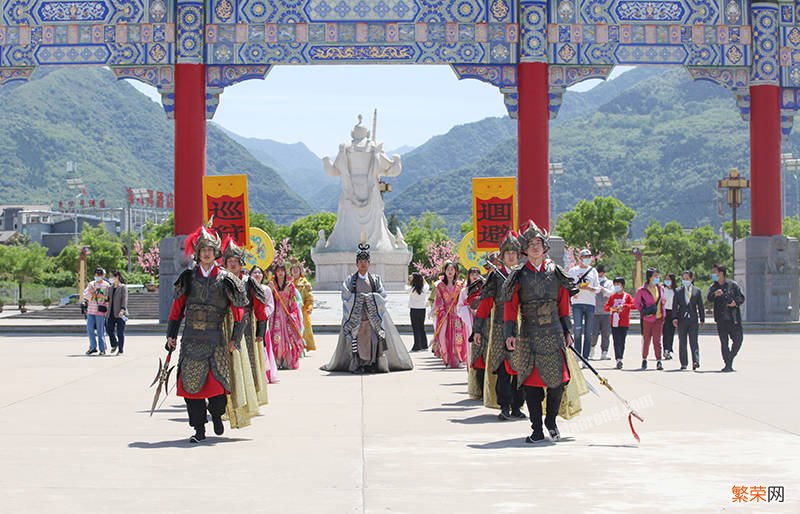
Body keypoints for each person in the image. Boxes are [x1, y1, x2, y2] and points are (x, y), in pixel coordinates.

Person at [503, 221, 587, 444]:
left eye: (538, 243)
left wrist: (568, 329)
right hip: (529, 333)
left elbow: (563, 304)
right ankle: (537, 429)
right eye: (530, 243)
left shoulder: (556, 272)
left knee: (558, 382)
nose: (535, 247)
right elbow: (510, 307)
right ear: (525, 249)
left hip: (554, 332)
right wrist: (509, 333)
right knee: (531, 385)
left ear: (545, 247)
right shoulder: (519, 275)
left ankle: (551, 421)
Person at [165, 224, 248, 443]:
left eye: (210, 249)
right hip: (191, 339)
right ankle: (199, 430)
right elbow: (177, 309)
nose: (206, 253)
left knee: (218, 389)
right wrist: (171, 335)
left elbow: (240, 312)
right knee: (191, 389)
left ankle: (217, 414)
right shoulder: (187, 278)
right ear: (197, 253)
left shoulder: (227, 279)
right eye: (203, 249)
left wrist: (235, 339)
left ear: (216, 253)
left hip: (215, 340)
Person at [322, 242, 413, 373]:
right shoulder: (350, 280)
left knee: (374, 340)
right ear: (356, 263)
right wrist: (359, 298)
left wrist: (370, 297)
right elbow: (346, 296)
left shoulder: (375, 280)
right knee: (356, 341)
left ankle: (372, 364)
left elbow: (382, 295)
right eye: (360, 261)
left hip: (372, 318)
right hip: (356, 318)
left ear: (369, 263)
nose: (363, 264)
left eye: (365, 261)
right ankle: (357, 365)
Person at [472, 231, 525, 419]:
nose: (511, 255)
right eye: (507, 252)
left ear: (519, 255)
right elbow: (485, 304)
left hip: (522, 328)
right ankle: (504, 406)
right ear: (502, 256)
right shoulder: (496, 277)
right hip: (500, 328)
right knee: (503, 369)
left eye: (514, 252)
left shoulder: (524, 275)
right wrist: (477, 329)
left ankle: (518, 406)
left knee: (520, 369)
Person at [223, 239, 269, 413]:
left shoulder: (249, 281)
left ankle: (250, 398)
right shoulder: (222, 280)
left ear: (241, 263)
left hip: (247, 326)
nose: (233, 264)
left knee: (248, 361)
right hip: (225, 325)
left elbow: (259, 306)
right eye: (229, 262)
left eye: (235, 261)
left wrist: (261, 331)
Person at [707, 264, 745, 372]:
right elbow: (709, 298)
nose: (713, 275)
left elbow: (741, 298)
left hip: (733, 318)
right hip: (721, 319)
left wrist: (735, 303)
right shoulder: (713, 286)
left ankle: (730, 359)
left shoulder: (733, 285)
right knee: (724, 342)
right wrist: (715, 294)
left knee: (738, 340)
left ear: (721, 273)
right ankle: (727, 364)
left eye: (715, 272)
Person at [268, 260, 305, 370]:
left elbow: (293, 301)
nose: (280, 273)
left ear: (285, 272)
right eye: (278, 271)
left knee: (289, 337)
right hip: (275, 314)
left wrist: (293, 314)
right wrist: (269, 289)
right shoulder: (272, 284)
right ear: (275, 272)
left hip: (287, 313)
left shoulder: (290, 285)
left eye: (282, 271)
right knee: (275, 336)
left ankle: (286, 361)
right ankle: (276, 361)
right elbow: (269, 299)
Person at [433, 261, 469, 368]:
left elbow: (463, 299)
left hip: (457, 315)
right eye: (448, 269)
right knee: (443, 336)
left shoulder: (460, 285)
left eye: (452, 269)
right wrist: (442, 312)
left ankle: (458, 358)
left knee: (458, 336)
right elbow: (438, 300)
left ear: (455, 271)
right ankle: (447, 359)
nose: (450, 271)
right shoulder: (440, 285)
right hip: (445, 315)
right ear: (444, 271)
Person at [567, 249, 600, 361]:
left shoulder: (593, 271)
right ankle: (578, 355)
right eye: (585, 257)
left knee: (588, 331)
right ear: (580, 258)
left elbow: (598, 288)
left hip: (590, 303)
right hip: (577, 303)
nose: (587, 259)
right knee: (577, 330)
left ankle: (585, 357)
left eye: (589, 257)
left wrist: (589, 288)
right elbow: (568, 286)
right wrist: (576, 290)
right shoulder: (573, 271)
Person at [458, 266, 484, 399]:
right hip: (471, 323)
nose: (475, 276)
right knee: (472, 352)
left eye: (477, 273)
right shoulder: (465, 291)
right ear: (468, 276)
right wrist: (469, 310)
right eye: (472, 273)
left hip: (485, 323)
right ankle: (474, 384)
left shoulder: (485, 287)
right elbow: (459, 307)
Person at [250, 265, 279, 383]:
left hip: (262, 321)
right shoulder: (247, 288)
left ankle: (266, 374)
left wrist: (261, 314)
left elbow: (270, 305)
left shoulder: (266, 289)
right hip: (249, 321)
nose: (257, 275)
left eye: (259, 273)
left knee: (263, 346)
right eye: (255, 273)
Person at [634, 268, 666, 371]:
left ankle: (659, 360)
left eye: (658, 276)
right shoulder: (642, 290)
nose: (657, 278)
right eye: (655, 276)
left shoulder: (660, 288)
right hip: (648, 319)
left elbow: (662, 301)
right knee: (646, 339)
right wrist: (643, 312)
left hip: (658, 318)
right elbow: (637, 303)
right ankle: (644, 358)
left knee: (657, 340)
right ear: (649, 277)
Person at [672, 270, 705, 371]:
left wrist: (702, 319)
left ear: (691, 279)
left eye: (687, 279)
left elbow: (700, 306)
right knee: (682, 342)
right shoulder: (678, 291)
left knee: (694, 341)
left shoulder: (697, 291)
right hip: (682, 319)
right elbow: (675, 306)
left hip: (693, 319)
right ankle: (684, 363)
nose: (685, 281)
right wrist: (674, 318)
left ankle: (696, 361)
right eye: (683, 279)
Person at [604, 277, 635, 369]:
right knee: (616, 341)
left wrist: (624, 306)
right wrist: (612, 308)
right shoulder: (612, 297)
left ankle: (621, 357)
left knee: (622, 341)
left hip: (624, 322)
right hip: (614, 322)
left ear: (623, 286)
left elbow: (634, 305)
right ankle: (618, 359)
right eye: (615, 284)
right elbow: (606, 307)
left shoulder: (627, 296)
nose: (617, 286)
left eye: (618, 284)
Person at [290, 259, 316, 352]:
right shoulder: (288, 283)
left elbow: (309, 298)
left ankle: (303, 346)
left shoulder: (305, 283)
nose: (295, 270)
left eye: (297, 268)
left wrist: (309, 307)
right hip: (290, 310)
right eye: (293, 269)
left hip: (302, 310)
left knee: (304, 329)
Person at [83, 267, 110, 356]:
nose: (97, 276)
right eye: (96, 275)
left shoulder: (106, 285)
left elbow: (106, 297)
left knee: (100, 331)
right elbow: (86, 294)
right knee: (90, 329)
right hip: (90, 310)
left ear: (103, 275)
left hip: (100, 310)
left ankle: (102, 348)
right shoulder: (91, 284)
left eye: (99, 275)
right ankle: (93, 346)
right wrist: (97, 295)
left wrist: (95, 294)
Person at [591, 264, 614, 360]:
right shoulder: (593, 281)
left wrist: (603, 289)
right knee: (594, 333)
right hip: (594, 311)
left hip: (606, 312)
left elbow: (611, 293)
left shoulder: (609, 282)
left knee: (606, 333)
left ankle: (604, 352)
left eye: (600, 272)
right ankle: (591, 350)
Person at [106, 270, 128, 356]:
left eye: (112, 276)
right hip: (111, 312)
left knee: (120, 332)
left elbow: (125, 299)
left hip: (120, 313)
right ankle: (114, 344)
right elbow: (108, 298)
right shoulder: (110, 288)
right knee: (109, 330)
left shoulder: (123, 287)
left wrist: (123, 309)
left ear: (117, 277)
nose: (110, 278)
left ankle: (121, 350)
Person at [408, 272, 430, 352]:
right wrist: (423, 279)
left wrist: (410, 280)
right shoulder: (425, 288)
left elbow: (406, 285)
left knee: (415, 327)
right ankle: (424, 345)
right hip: (422, 309)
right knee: (421, 327)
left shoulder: (411, 289)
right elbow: (427, 284)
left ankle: (417, 345)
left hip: (414, 309)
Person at [661, 273, 677, 360]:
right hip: (664, 311)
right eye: (665, 279)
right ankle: (665, 350)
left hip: (673, 312)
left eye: (669, 279)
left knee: (671, 332)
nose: (667, 281)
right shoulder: (662, 289)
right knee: (665, 332)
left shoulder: (676, 290)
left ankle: (670, 349)